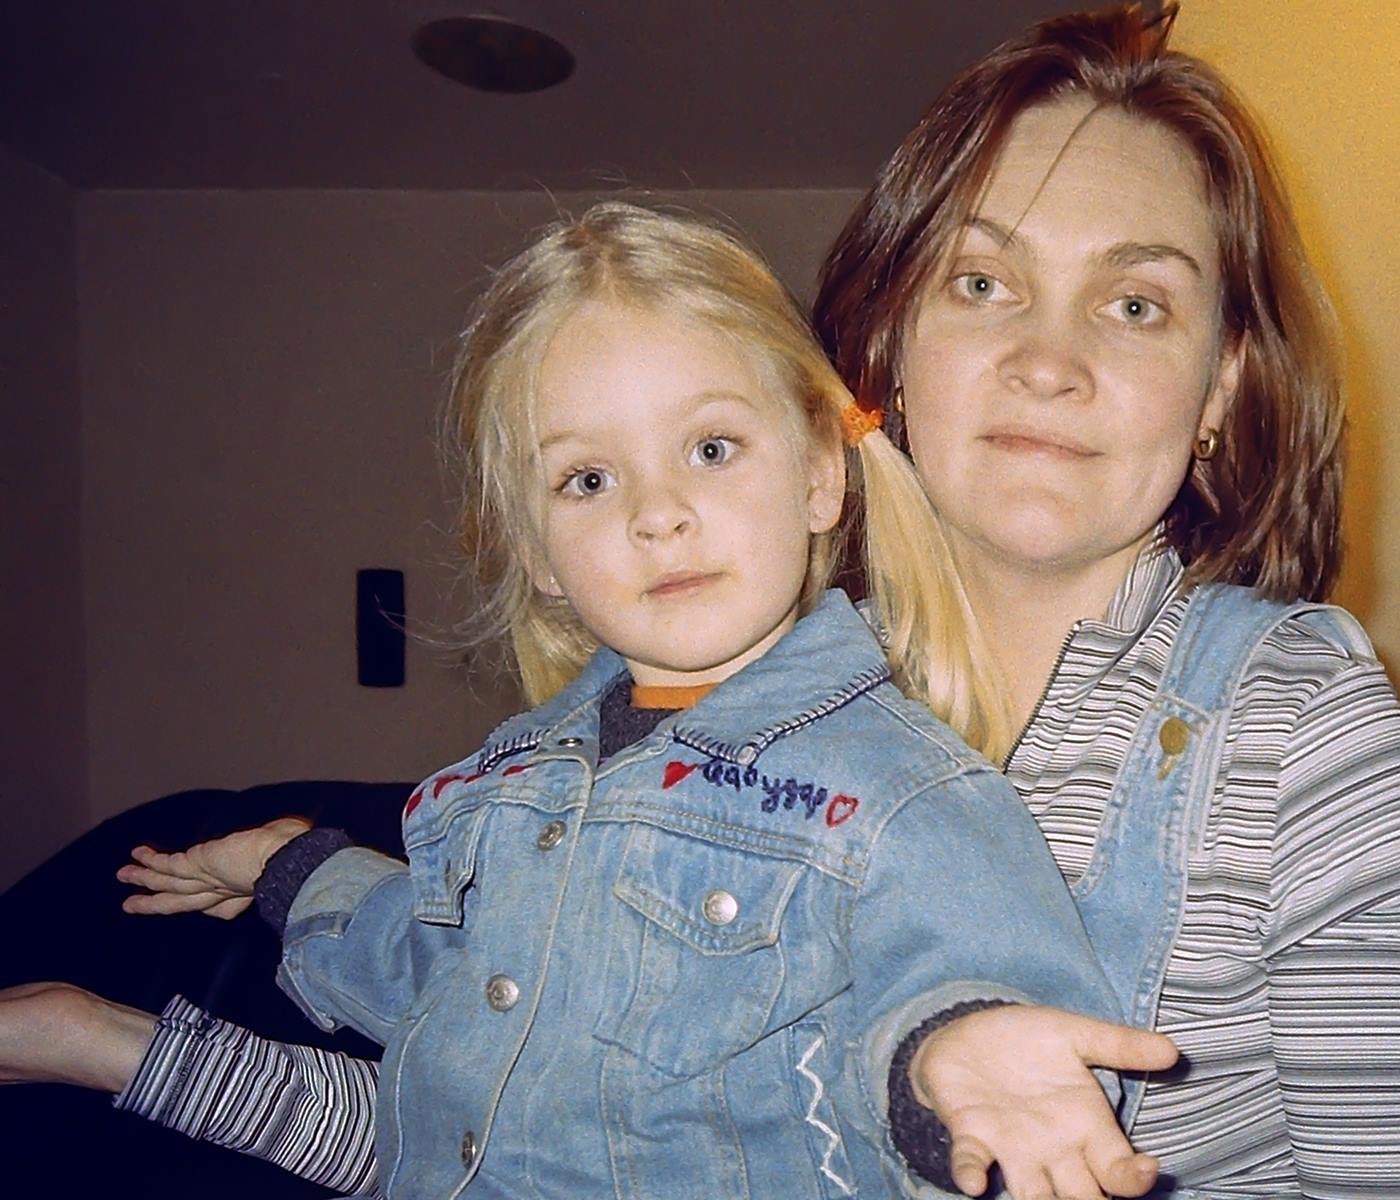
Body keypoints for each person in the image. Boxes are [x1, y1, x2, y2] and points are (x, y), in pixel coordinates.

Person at [6, 6, 1400, 1197]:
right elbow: (495, 1126)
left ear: (1222, 391)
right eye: (984, 283)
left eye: (1136, 301)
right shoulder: (705, 715)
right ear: (884, 350)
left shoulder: (1294, 721)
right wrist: (111, 1039)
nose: (1051, 356)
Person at [111, 200, 1157, 1199]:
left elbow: (967, 985)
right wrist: (289, 869)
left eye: (710, 449)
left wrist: (954, 1053)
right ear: (541, 555)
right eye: (589, 481)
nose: (659, 513)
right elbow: (439, 971)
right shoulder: (511, 778)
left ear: (816, 479)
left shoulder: (897, 790)